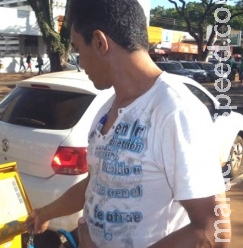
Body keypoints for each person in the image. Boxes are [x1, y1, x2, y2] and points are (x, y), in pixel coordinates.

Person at [24, 1, 231, 247]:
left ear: (100, 43)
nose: (80, 62)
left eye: (78, 49)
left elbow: (212, 231)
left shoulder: (175, 111)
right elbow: (98, 182)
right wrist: (45, 213)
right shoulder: (106, 109)